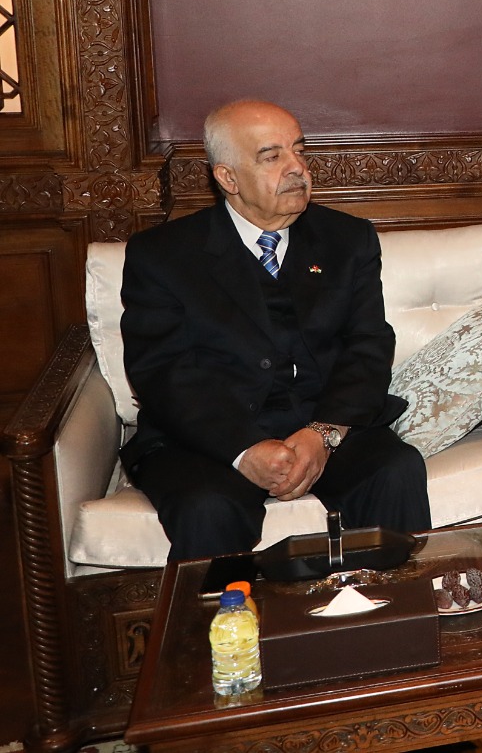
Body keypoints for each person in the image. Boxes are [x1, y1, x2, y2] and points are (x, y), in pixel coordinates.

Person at [120, 99, 430, 560]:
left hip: (324, 422)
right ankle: (229, 611)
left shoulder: (347, 239)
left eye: (299, 151)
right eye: (272, 156)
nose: (297, 168)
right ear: (227, 178)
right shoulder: (163, 255)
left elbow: (368, 344)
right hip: (208, 438)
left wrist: (323, 433)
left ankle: (393, 604)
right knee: (207, 508)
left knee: (396, 470)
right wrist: (244, 449)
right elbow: (162, 371)